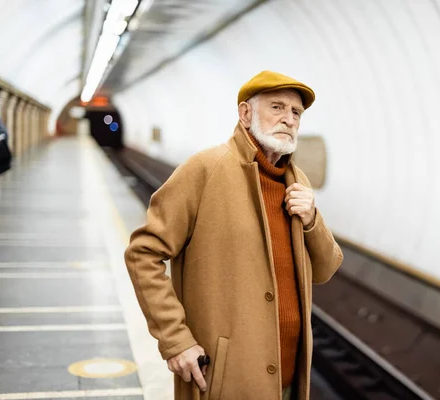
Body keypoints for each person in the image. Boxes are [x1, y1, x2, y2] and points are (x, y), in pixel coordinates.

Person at [125, 70, 344, 400]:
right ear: (245, 114)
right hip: (225, 378)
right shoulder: (206, 169)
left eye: (296, 112)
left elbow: (326, 269)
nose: (288, 119)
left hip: (287, 380)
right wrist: (175, 340)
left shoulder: (296, 182)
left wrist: (312, 219)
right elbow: (143, 252)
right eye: (277, 107)